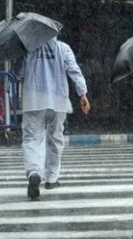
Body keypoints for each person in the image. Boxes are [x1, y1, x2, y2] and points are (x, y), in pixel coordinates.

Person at [17, 35, 90, 200]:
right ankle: (51, 178)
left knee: (32, 139)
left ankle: (34, 172)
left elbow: (19, 73)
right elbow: (74, 71)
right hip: (58, 100)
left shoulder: (29, 49)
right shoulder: (63, 48)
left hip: (34, 100)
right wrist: (82, 94)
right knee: (55, 138)